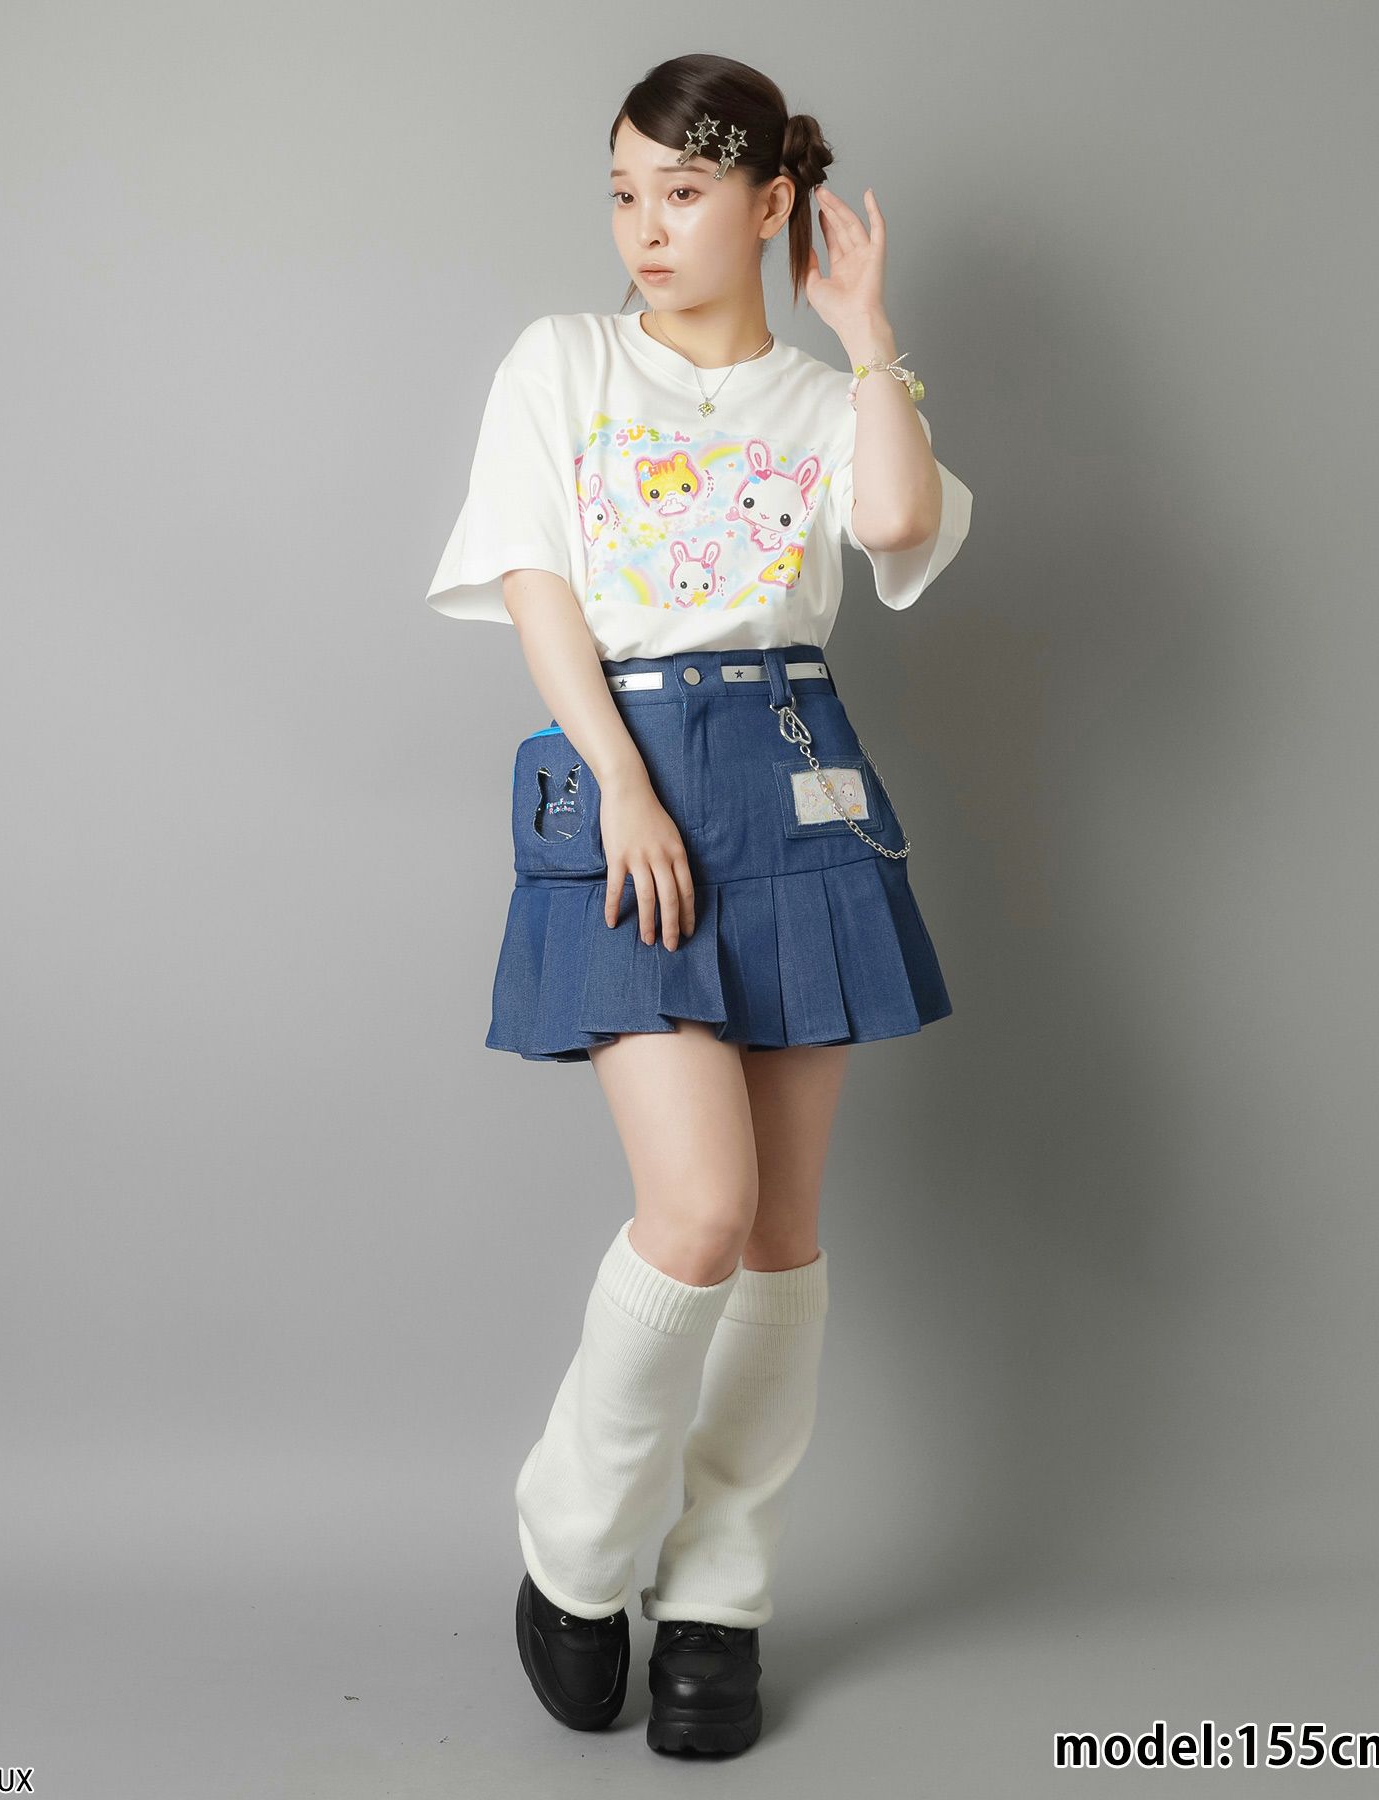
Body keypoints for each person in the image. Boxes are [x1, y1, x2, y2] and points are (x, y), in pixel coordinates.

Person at [424, 52, 972, 1757]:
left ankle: (722, 1596)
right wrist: (620, 783)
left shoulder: (823, 399)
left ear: (767, 202)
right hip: (630, 778)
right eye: (624, 193)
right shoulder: (565, 363)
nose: (646, 228)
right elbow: (537, 578)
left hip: (797, 773)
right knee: (701, 1209)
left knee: (783, 1232)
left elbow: (897, 523)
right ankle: (577, 1552)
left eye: (682, 191)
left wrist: (865, 331)